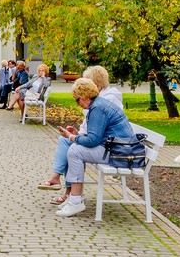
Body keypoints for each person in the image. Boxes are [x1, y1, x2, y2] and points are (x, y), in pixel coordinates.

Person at [55, 78, 135, 217]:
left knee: (75, 151)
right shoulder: (98, 105)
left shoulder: (98, 108)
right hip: (119, 148)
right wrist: (77, 135)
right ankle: (74, 198)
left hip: (120, 152)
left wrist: (72, 137)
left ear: (85, 96)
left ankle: (75, 201)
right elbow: (95, 136)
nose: (78, 104)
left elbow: (93, 140)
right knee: (74, 147)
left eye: (77, 100)